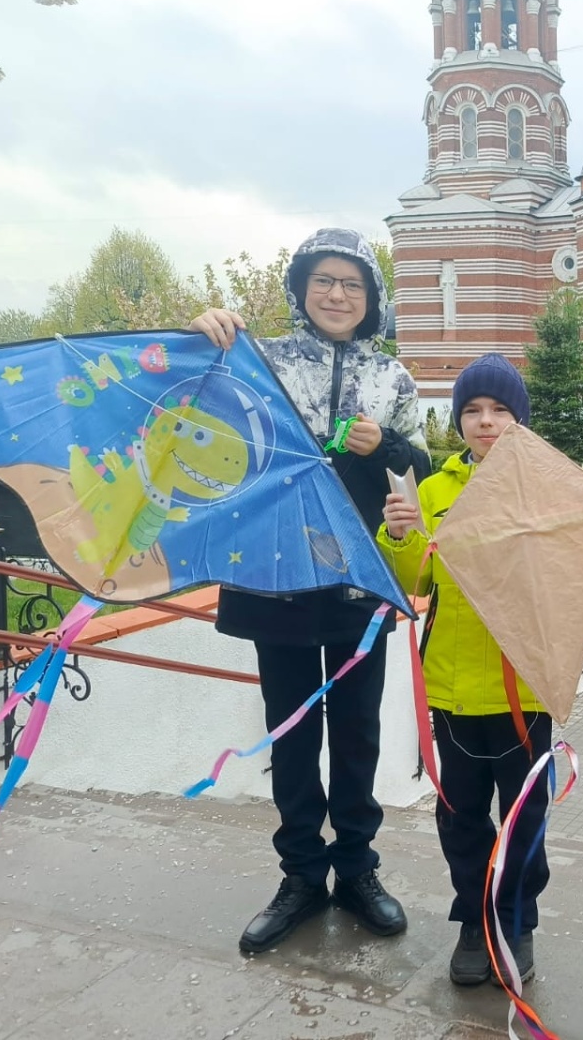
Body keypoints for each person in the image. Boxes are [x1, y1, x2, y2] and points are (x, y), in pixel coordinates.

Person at [189, 227, 431, 954]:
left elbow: (419, 463)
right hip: (278, 581)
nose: (336, 294)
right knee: (293, 737)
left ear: (371, 298)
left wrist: (381, 446)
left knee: (356, 735)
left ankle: (357, 869)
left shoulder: (394, 379)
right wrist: (205, 334)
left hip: (357, 585)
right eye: (323, 280)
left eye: (352, 284)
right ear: (300, 289)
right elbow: (201, 407)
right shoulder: (257, 359)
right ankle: (300, 875)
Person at [378, 353, 549, 988]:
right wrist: (400, 536)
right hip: (451, 688)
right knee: (462, 816)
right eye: (473, 411)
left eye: (500, 411)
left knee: (524, 817)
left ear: (520, 420)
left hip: (525, 690)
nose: (485, 422)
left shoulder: (543, 485)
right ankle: (475, 922)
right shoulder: (432, 490)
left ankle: (517, 920)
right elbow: (412, 583)